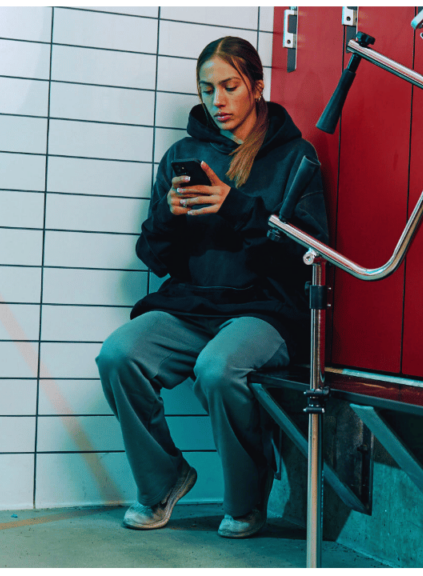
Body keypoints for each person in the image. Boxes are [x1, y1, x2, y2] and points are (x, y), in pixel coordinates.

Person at [95, 36, 330, 539]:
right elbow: (155, 257)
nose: (217, 101)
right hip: (191, 306)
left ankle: (246, 502)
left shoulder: (296, 159)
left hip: (262, 311)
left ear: (257, 87)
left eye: (230, 87)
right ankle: (162, 481)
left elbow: (309, 255)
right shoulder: (183, 155)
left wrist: (236, 207)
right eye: (207, 89)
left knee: (219, 369)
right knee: (118, 354)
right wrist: (169, 217)